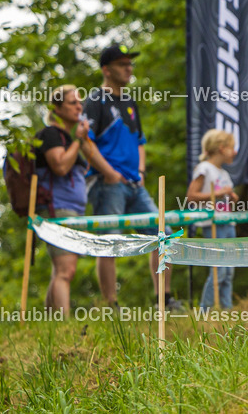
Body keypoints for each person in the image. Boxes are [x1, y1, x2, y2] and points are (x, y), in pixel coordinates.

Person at [81, 44, 183, 310]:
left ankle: (164, 300)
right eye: (122, 64)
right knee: (109, 242)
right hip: (107, 184)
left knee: (163, 235)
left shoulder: (129, 101)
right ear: (106, 70)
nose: (129, 68)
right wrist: (110, 173)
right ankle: (111, 306)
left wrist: (141, 171)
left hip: (135, 184)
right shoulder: (95, 100)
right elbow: (85, 142)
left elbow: (140, 141)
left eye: (130, 63)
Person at [34, 84, 90, 317]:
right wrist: (78, 141)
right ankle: (64, 325)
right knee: (66, 270)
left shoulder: (65, 137)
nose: (79, 107)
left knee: (61, 269)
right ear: (57, 108)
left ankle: (51, 324)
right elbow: (60, 166)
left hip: (70, 209)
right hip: (56, 207)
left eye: (80, 103)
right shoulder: (50, 135)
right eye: (73, 103)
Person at [186, 129, 239, 311]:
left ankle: (226, 309)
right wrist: (218, 194)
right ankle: (206, 309)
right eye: (232, 147)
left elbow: (226, 197)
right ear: (221, 148)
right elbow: (191, 196)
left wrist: (231, 197)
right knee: (218, 269)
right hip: (213, 225)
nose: (235, 152)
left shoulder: (224, 173)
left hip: (228, 223)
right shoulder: (204, 169)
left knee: (229, 270)